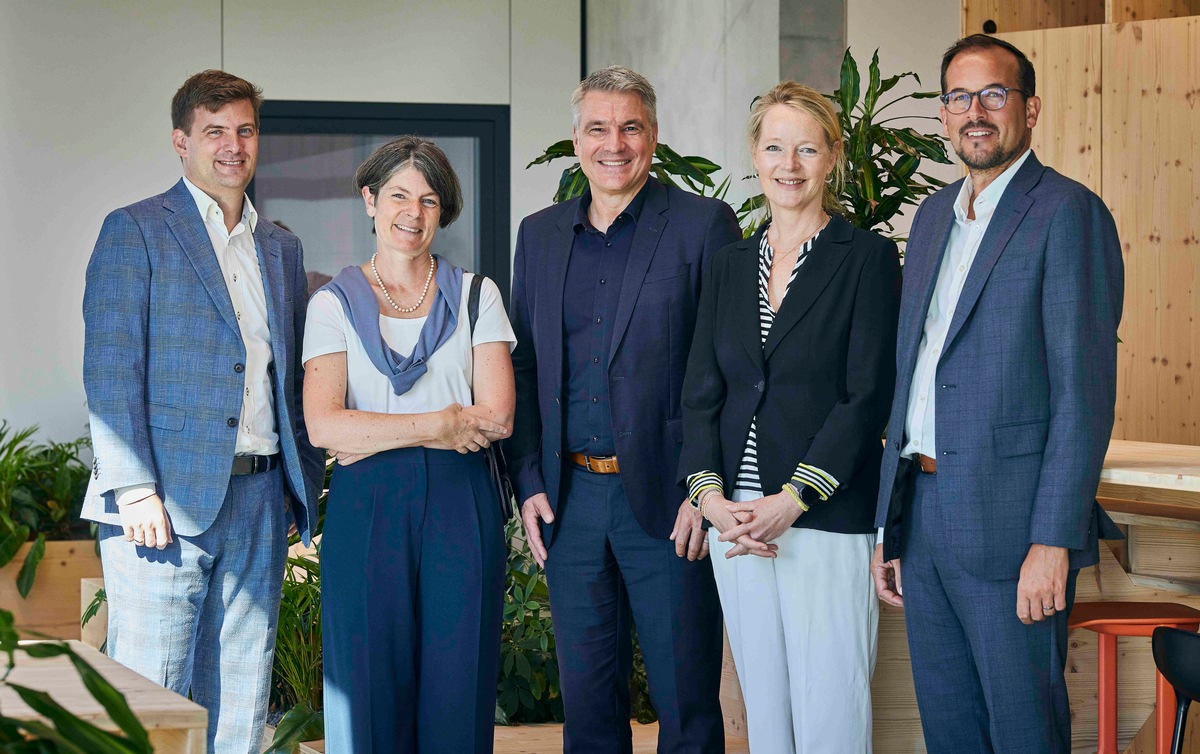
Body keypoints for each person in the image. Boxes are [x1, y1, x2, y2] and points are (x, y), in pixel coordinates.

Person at [871, 35, 1124, 753]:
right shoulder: (929, 220)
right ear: (943, 115)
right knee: (950, 729)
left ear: (1029, 108)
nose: (974, 112)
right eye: (957, 97)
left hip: (1014, 529)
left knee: (1023, 730)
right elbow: (912, 376)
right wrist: (892, 526)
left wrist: (1053, 538)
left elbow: (1083, 395)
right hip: (921, 515)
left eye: (993, 95)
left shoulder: (1067, 213)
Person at [81, 69, 323, 753]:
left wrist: (297, 486)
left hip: (259, 501)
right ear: (181, 141)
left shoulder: (280, 246)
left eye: (245, 130)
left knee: (242, 695)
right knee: (153, 693)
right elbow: (110, 369)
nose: (233, 145)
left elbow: (287, 372)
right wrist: (132, 489)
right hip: (160, 506)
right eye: (215, 131)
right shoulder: (135, 231)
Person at [507, 65, 741, 752]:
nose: (616, 143)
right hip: (570, 502)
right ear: (576, 140)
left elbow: (730, 368)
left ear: (654, 136)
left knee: (686, 706)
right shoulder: (540, 234)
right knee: (588, 711)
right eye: (599, 128)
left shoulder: (702, 225)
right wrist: (528, 484)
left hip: (671, 502)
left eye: (631, 127)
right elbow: (523, 365)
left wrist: (704, 489)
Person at [677, 81, 900, 753]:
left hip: (822, 517)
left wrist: (795, 498)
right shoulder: (730, 264)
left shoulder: (865, 258)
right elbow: (700, 392)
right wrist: (710, 498)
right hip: (735, 523)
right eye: (775, 147)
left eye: (807, 148)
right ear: (755, 153)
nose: (790, 164)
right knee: (766, 717)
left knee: (830, 712)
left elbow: (866, 396)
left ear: (832, 156)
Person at [302, 135, 515, 753]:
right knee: (365, 683)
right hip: (367, 507)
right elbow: (325, 427)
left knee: (458, 680)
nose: (411, 213)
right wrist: (441, 425)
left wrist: (374, 431)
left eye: (428, 200)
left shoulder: (479, 296)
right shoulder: (332, 304)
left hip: (460, 501)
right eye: (397, 195)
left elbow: (497, 415)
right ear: (369, 199)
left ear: (443, 212)